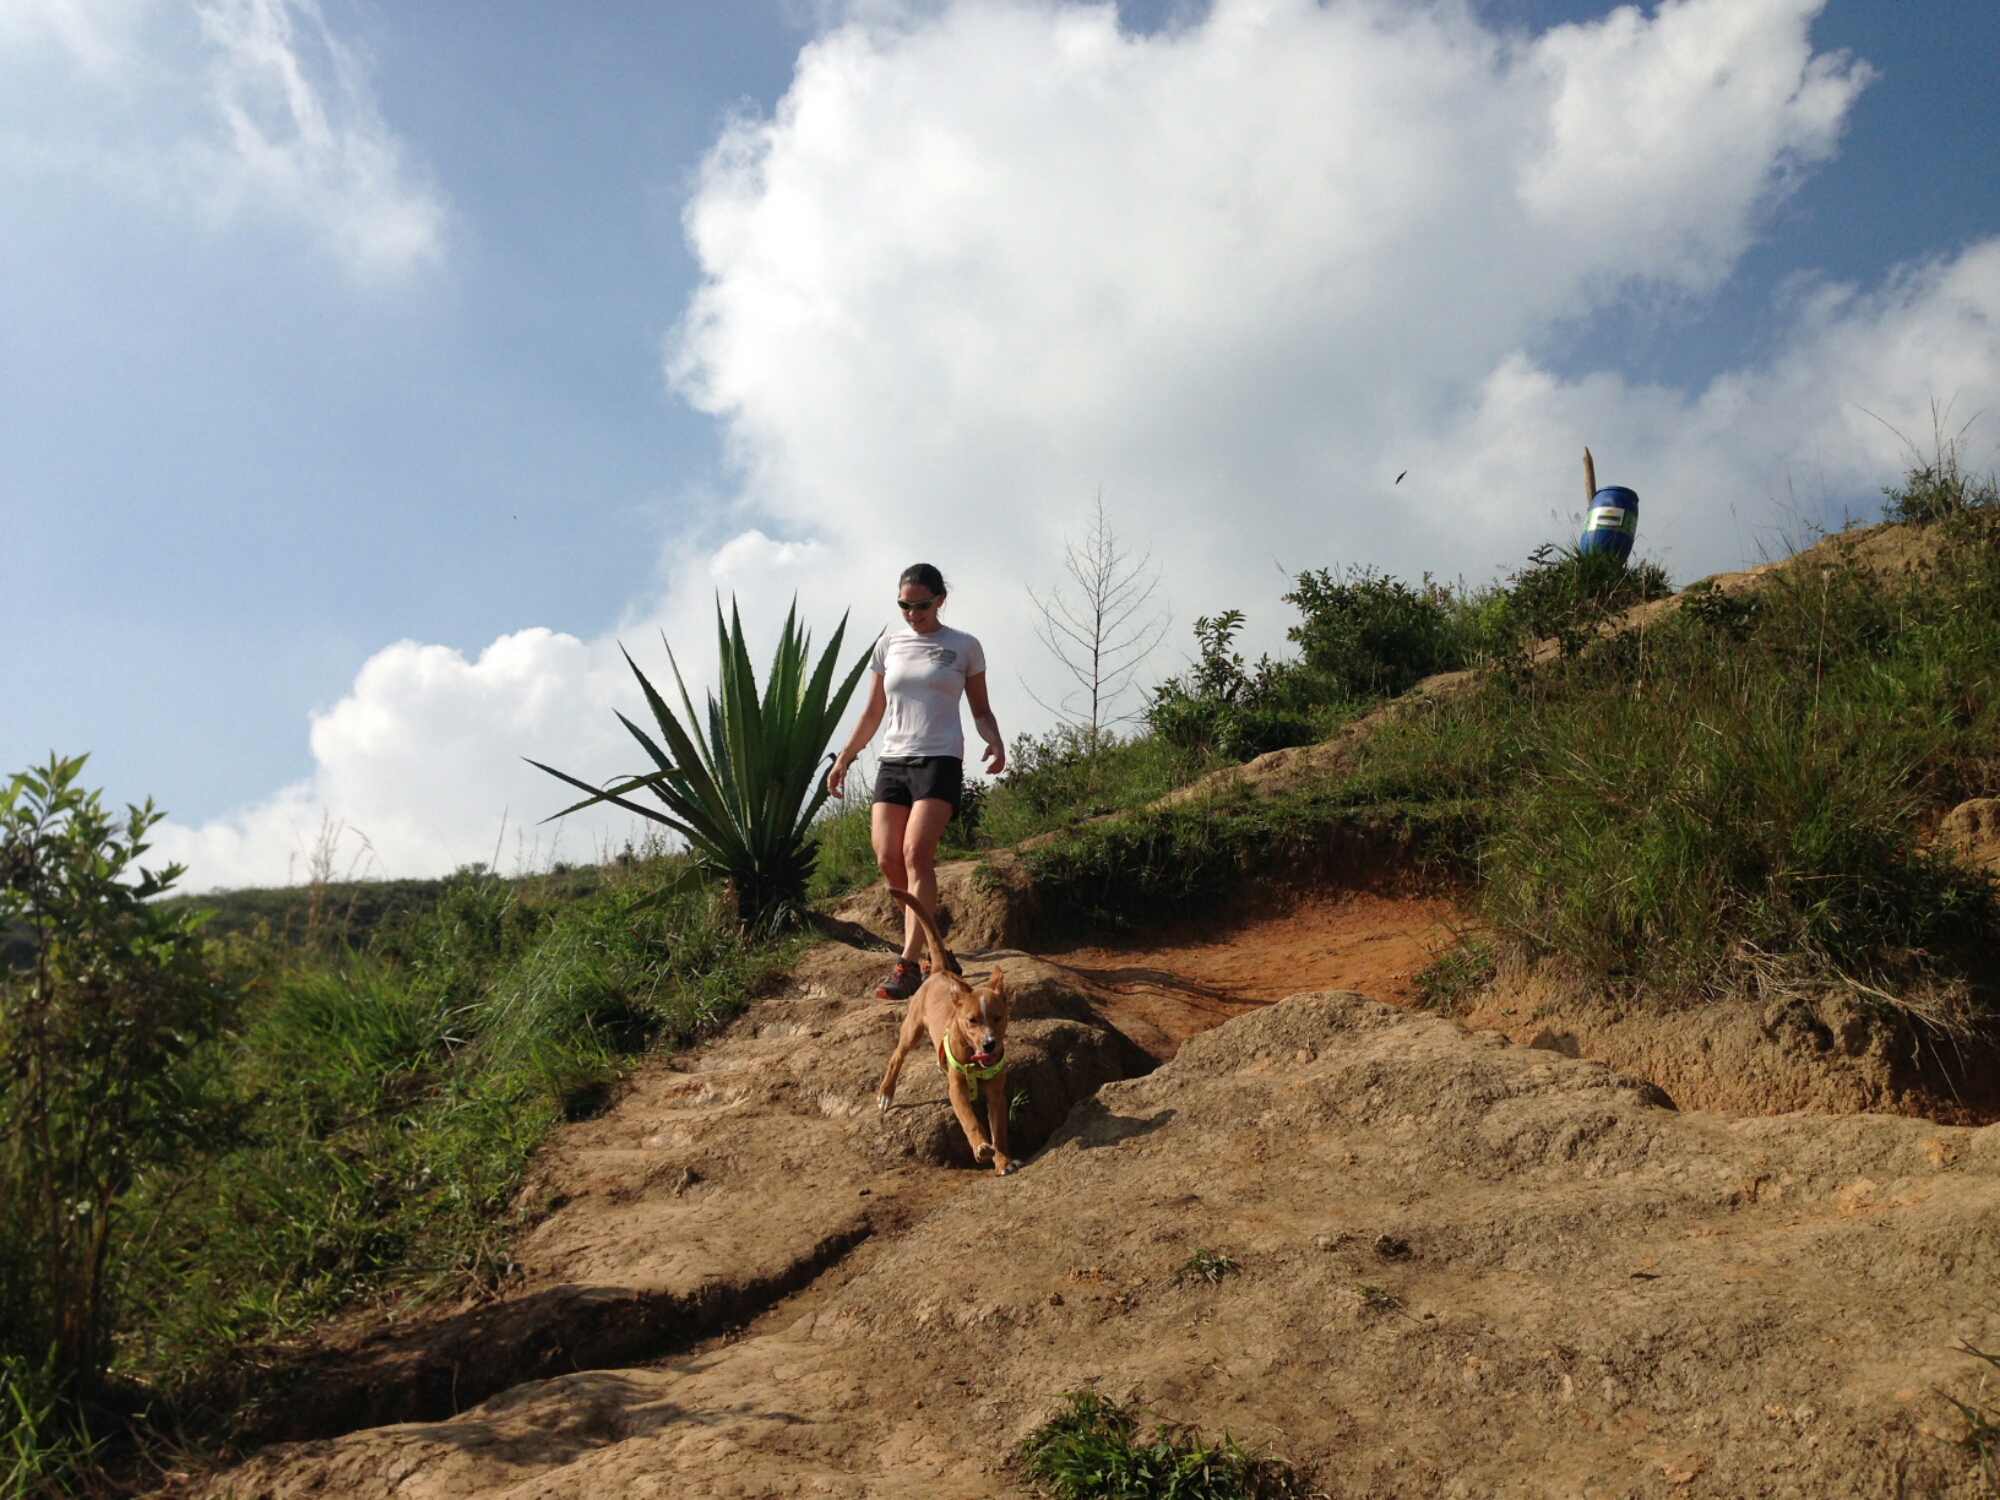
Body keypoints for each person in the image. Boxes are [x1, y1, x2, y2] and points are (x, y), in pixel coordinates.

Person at [828, 563, 1005, 999]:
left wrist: (994, 739)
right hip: (894, 761)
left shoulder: (964, 646)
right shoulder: (888, 646)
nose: (913, 614)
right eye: (904, 606)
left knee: (915, 853)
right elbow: (873, 712)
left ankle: (908, 965)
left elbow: (981, 709)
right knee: (888, 859)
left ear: (940, 599)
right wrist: (845, 758)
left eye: (921, 605)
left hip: (940, 759)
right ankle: (934, 952)